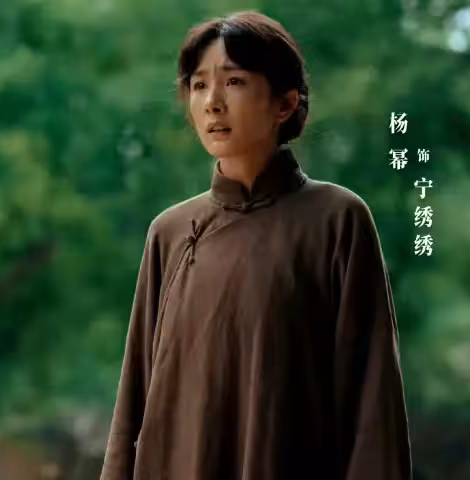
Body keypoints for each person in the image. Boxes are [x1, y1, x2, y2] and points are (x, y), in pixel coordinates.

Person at [99, 10, 413, 480]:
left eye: (235, 82)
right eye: (199, 85)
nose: (212, 102)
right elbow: (134, 396)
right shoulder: (171, 231)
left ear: (285, 104)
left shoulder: (337, 220)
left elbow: (373, 399)